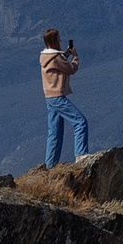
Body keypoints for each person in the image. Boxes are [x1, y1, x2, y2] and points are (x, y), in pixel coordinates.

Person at [41, 29, 88, 166]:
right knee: (80, 122)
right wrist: (75, 57)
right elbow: (70, 69)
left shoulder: (46, 57)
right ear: (54, 41)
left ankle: (50, 165)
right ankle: (81, 156)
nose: (60, 42)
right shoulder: (55, 58)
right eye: (59, 39)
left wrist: (66, 54)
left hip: (49, 97)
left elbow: (59, 64)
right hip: (57, 96)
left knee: (54, 133)